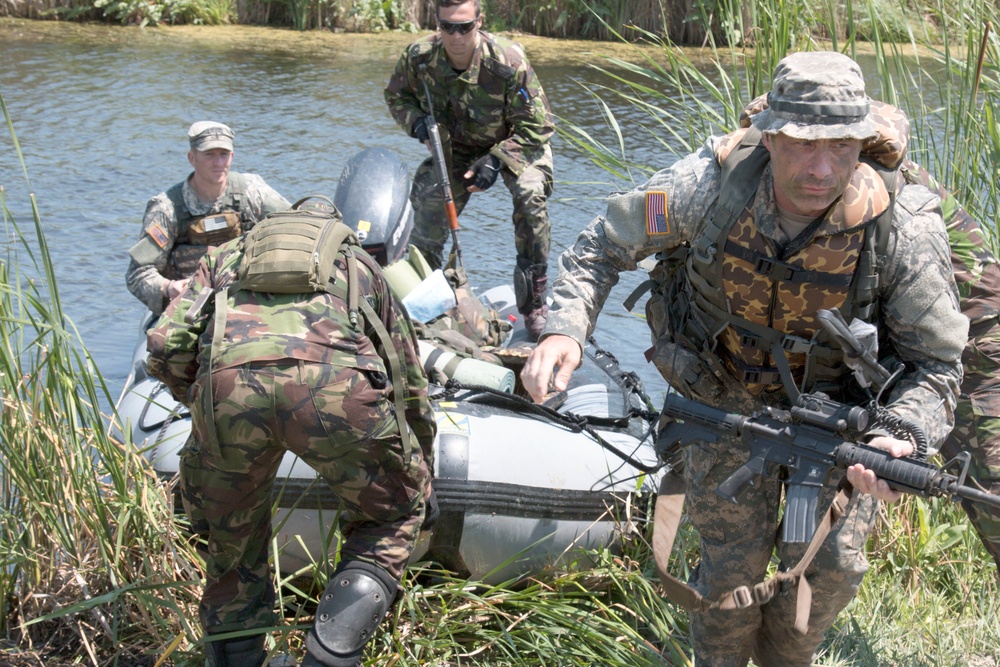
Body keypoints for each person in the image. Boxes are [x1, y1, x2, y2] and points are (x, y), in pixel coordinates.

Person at [521, 51, 968, 665]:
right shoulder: (706, 187)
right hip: (723, 397)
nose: (820, 168)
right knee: (731, 572)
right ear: (771, 134)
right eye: (803, 146)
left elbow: (938, 366)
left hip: (846, 418)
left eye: (841, 147)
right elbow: (603, 242)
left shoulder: (901, 228)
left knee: (830, 570)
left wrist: (903, 435)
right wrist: (565, 331)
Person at [146, 202, 434, 667]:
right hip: (337, 393)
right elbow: (407, 379)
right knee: (391, 517)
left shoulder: (224, 257)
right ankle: (326, 659)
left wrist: (201, 401)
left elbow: (164, 346)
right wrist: (421, 468)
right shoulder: (360, 265)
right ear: (331, 227)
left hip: (228, 392)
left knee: (232, 551)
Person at [384, 0, 555, 340]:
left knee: (530, 196)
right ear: (437, 23)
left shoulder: (508, 59)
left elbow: (539, 124)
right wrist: (418, 125)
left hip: (516, 144)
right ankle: (423, 302)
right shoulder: (418, 57)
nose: (456, 36)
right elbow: (396, 97)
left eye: (464, 27)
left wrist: (496, 160)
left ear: (480, 21)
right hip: (456, 149)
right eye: (448, 27)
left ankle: (534, 303)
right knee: (429, 207)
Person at [126, 120, 290, 315]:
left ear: (232, 156)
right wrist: (169, 287)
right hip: (189, 307)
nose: (219, 163)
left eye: (224, 154)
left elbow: (294, 225)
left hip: (245, 302)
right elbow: (137, 274)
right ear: (192, 158)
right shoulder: (167, 209)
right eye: (209, 155)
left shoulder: (253, 193)